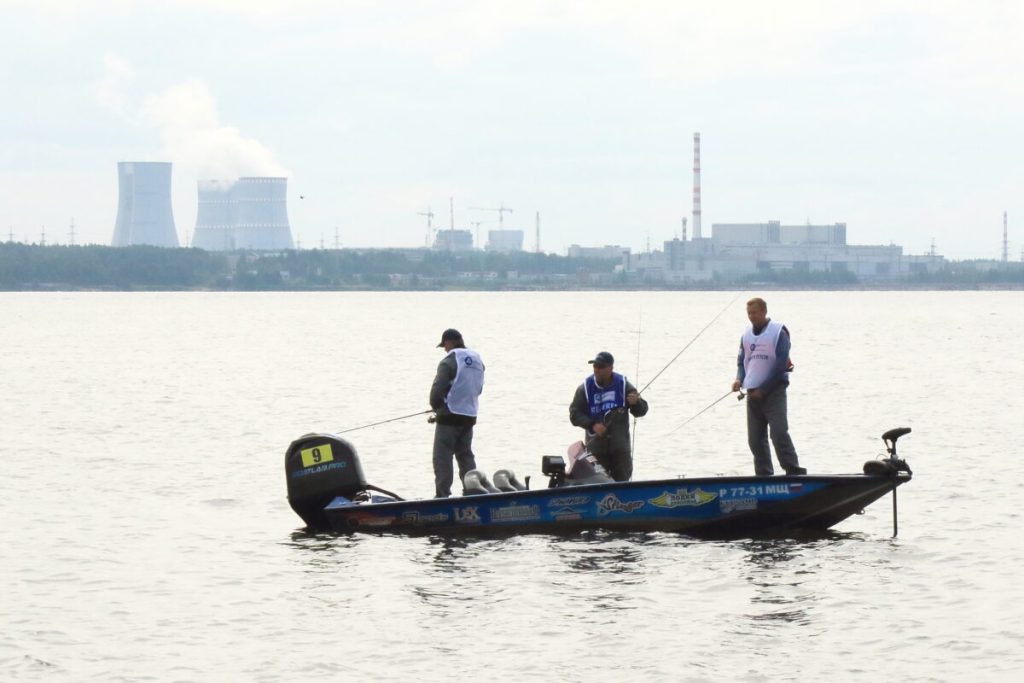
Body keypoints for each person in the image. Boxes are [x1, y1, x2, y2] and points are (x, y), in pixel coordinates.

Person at [731, 297, 807, 476]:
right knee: (755, 440)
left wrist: (763, 390)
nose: (751, 317)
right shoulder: (746, 335)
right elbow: (742, 362)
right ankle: (764, 475)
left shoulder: (778, 332)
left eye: (755, 313)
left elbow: (781, 365)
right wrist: (738, 380)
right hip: (752, 394)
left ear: (764, 312)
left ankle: (794, 471)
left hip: (774, 393)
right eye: (749, 313)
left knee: (779, 433)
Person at [569, 351, 648, 481]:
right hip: (596, 451)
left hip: (620, 450)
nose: (597, 370)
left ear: (610, 368)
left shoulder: (623, 384)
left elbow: (642, 410)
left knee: (622, 484)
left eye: (601, 367)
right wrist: (592, 425)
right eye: (595, 366)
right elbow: (574, 414)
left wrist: (636, 403)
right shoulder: (585, 388)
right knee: (596, 483)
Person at [429, 328, 485, 497]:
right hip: (469, 415)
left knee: (442, 457)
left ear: (449, 342)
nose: (445, 349)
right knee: (465, 455)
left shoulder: (449, 361)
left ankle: (442, 495)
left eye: (444, 345)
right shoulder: (477, 360)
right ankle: (472, 491)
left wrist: (437, 407)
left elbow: (437, 391)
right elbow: (478, 388)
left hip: (449, 417)